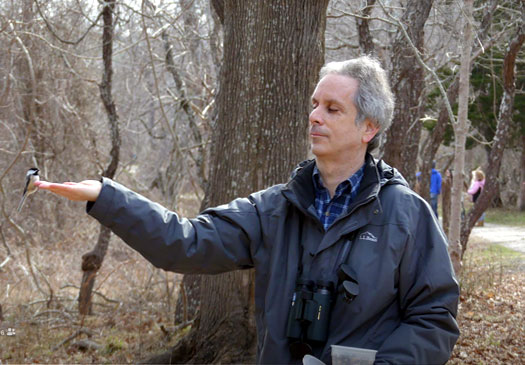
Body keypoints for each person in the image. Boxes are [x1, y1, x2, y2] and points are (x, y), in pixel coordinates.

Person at [35, 56, 459, 364]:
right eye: (314, 104)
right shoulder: (275, 207)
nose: (314, 117)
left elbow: (434, 319)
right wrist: (105, 197)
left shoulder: (407, 215)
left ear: (369, 127)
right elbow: (185, 243)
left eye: (332, 109)